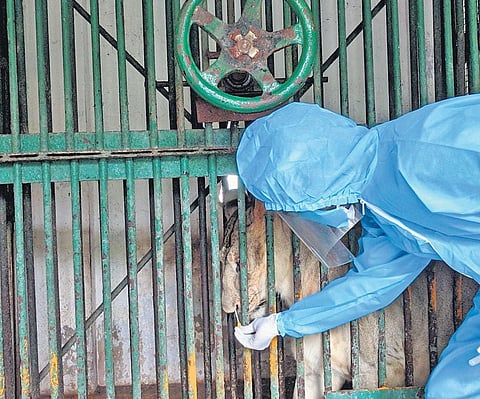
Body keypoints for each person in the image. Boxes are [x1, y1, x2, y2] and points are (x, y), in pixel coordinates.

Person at [233, 95, 480, 398]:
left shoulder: (424, 145)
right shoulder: (380, 213)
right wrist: (281, 324)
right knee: (449, 391)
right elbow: (372, 286)